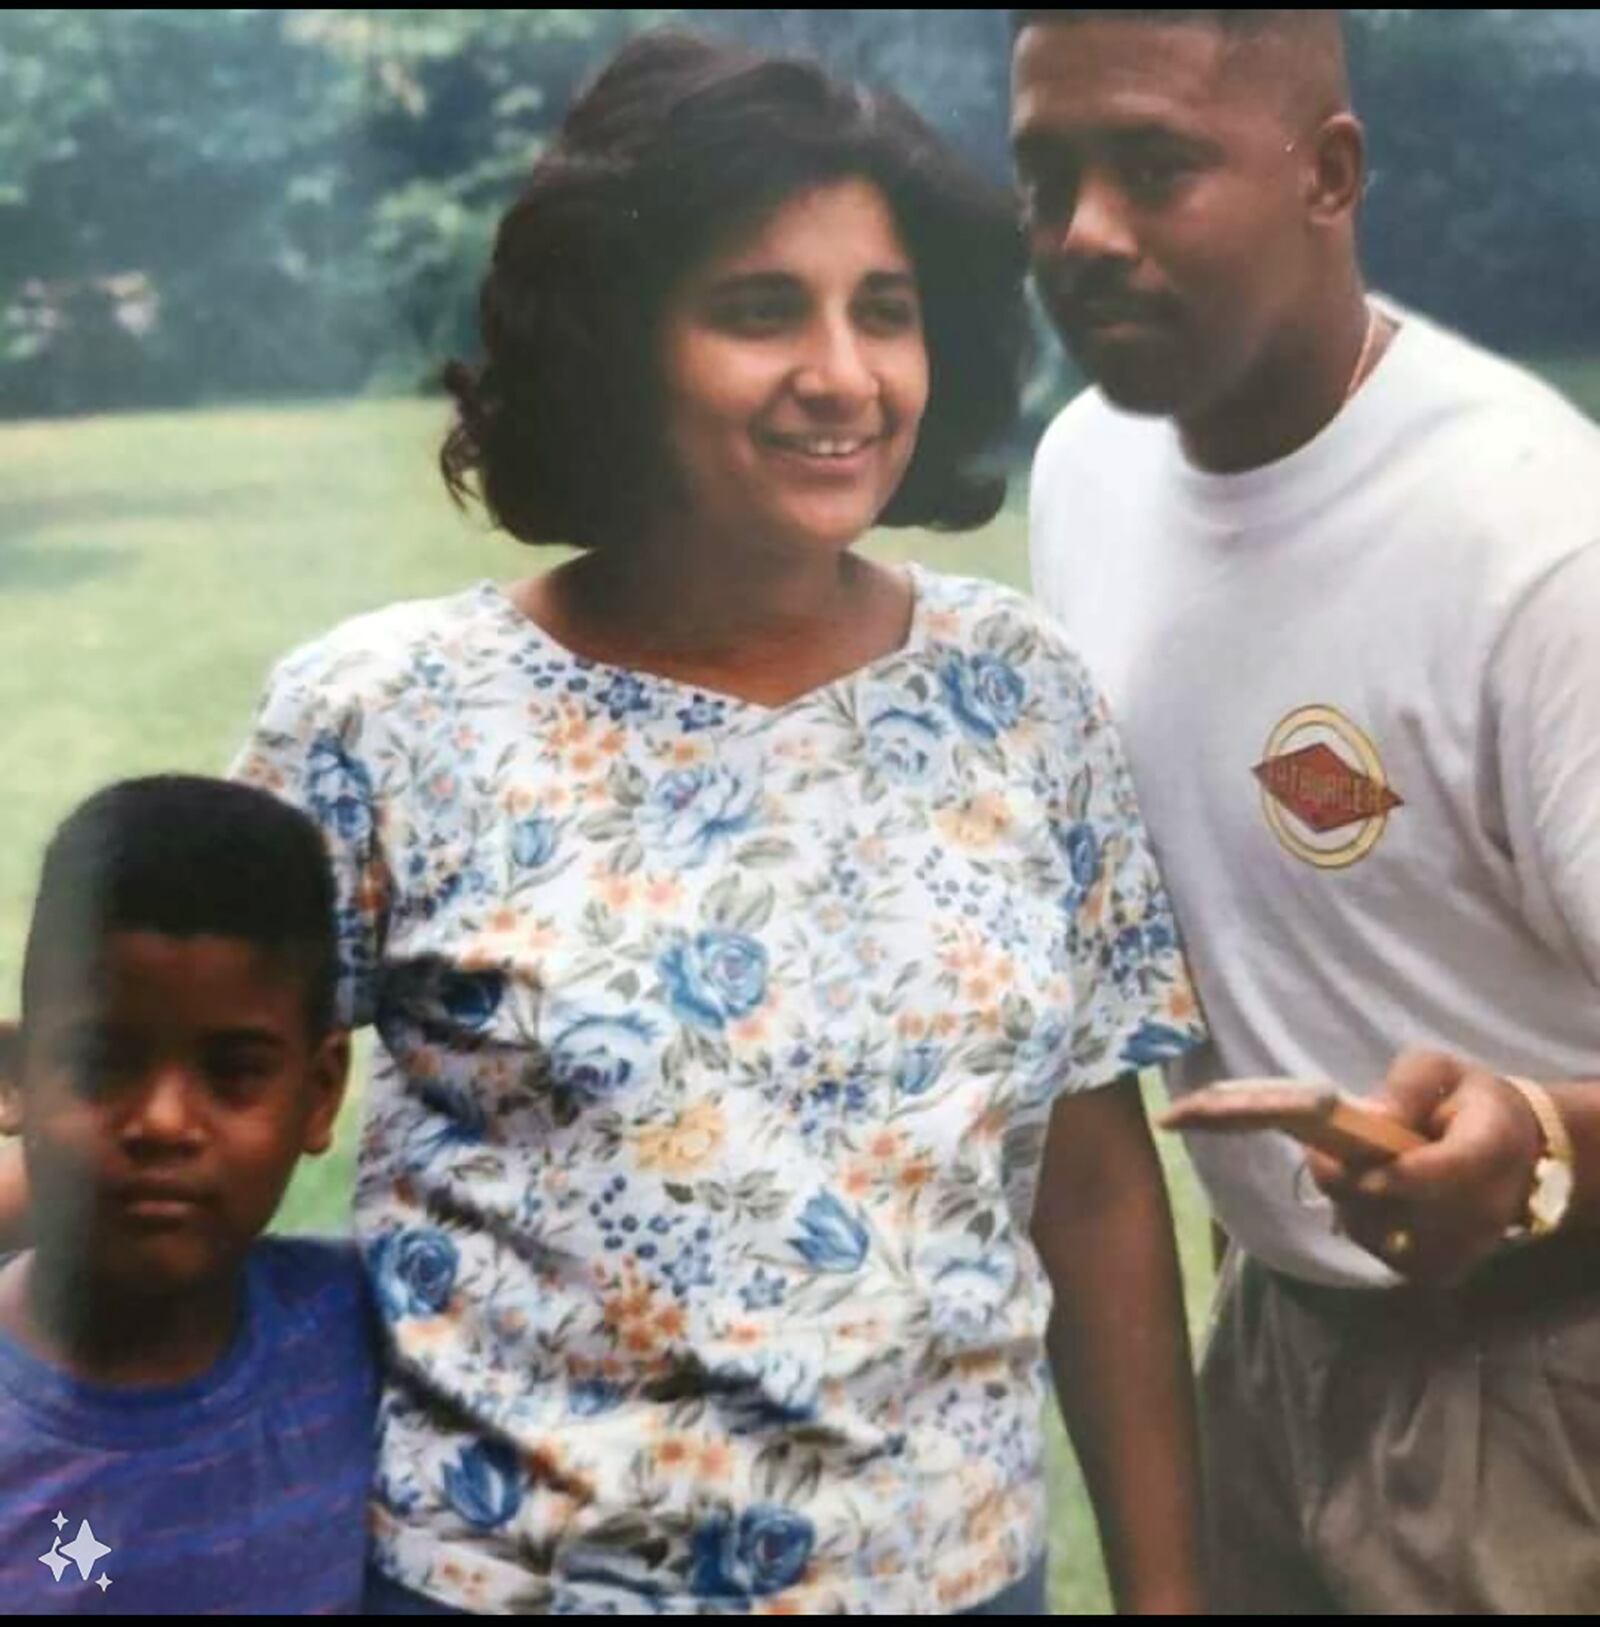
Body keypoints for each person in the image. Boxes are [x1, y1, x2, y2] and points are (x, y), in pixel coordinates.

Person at [233, 31, 1208, 1616]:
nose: (844, 371)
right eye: (763, 309)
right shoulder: (380, 714)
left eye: (883, 311)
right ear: (618, 340)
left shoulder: (1021, 694)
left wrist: (1169, 1596)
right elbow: (170, 1110)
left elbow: (1094, 1194)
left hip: (957, 1585)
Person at [1014, 7, 1600, 1612]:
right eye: (1044, 176)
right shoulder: (1089, 471)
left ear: (1328, 173)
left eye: (1153, 167)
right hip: (1269, 1342)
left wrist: (1547, 1143)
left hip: (1547, 1372)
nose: (1084, 234)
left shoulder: (1534, 540)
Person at [0, 776, 376, 1613]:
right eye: (102, 1062)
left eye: (234, 1071)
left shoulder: (374, 1342)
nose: (164, 1121)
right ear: (14, 1078)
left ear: (319, 1094)